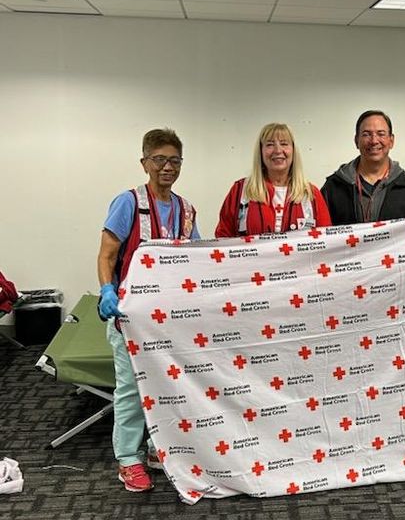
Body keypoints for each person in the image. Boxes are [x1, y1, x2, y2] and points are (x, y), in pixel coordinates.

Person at [97, 127, 200, 493]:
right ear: (144, 162)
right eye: (159, 159)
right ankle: (128, 460)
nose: (166, 167)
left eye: (174, 160)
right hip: (130, 317)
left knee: (165, 385)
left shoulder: (186, 210)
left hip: (168, 319)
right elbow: (107, 253)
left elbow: (196, 258)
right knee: (130, 390)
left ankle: (158, 449)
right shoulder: (128, 202)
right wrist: (107, 289)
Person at [216, 122, 330, 236]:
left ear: (293, 150)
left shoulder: (311, 194)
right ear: (261, 151)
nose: (278, 150)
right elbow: (223, 238)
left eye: (284, 144)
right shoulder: (240, 191)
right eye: (270, 144)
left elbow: (326, 241)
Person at [321, 110, 405, 223]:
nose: (374, 141)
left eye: (381, 134)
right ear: (356, 141)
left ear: (391, 141)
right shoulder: (332, 187)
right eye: (366, 134)